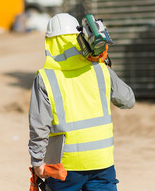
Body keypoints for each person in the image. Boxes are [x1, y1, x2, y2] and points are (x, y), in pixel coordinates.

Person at [28, 13, 135, 191]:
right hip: (102, 162)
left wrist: (38, 161)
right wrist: (105, 67)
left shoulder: (45, 78)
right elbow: (128, 100)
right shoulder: (100, 70)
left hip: (65, 166)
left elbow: (39, 125)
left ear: (49, 43)